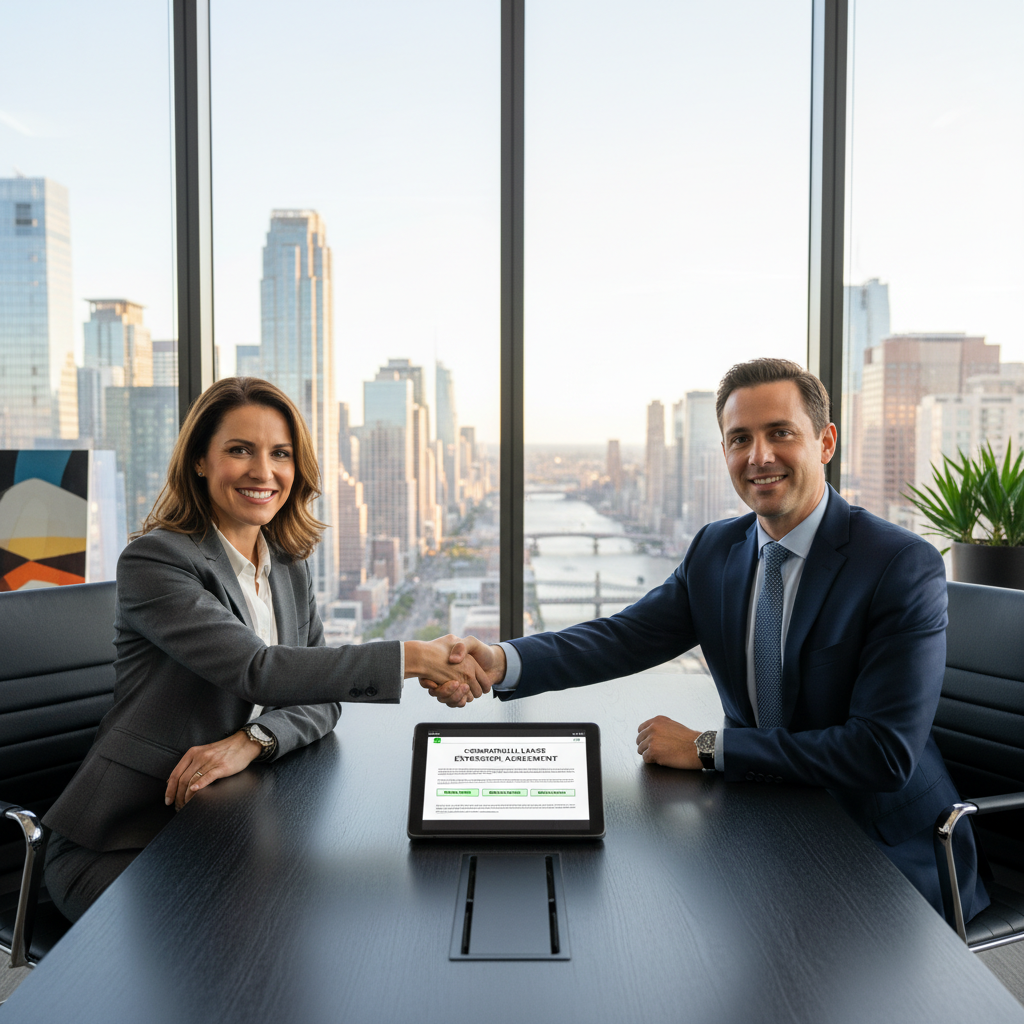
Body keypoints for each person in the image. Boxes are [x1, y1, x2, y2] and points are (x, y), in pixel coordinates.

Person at [455, 357, 988, 925]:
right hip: (759, 818)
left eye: (780, 433)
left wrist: (708, 747)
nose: (759, 456)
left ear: (825, 442)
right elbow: (623, 637)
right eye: (740, 439)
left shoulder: (898, 565)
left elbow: (882, 755)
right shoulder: (716, 549)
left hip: (881, 849)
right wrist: (500, 661)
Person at [43, 377, 487, 921]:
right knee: (258, 938)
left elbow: (320, 699)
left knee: (333, 915)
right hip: (128, 841)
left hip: (227, 819)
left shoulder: (287, 565)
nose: (263, 471)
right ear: (200, 461)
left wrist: (253, 739)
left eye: (280, 454)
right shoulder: (155, 562)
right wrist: (416, 658)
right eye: (239, 450)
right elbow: (261, 672)